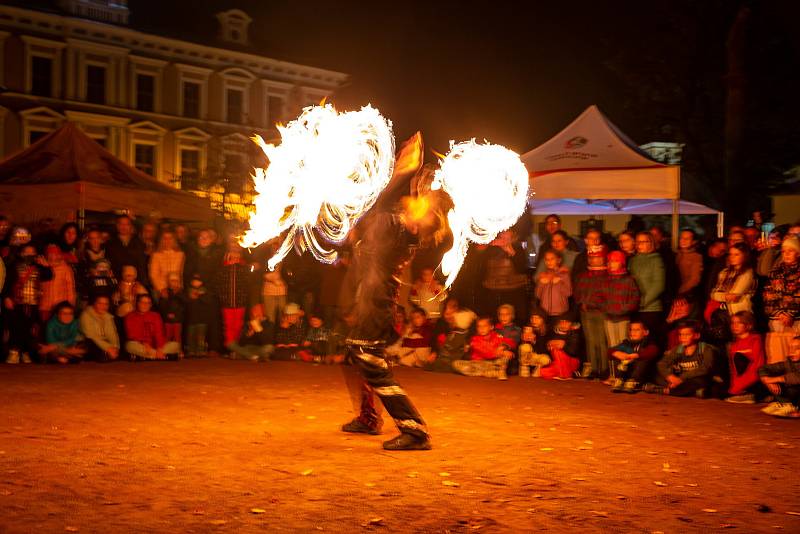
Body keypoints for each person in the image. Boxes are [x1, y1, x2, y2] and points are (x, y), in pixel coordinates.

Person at [337, 178, 444, 450]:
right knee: (364, 358)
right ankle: (369, 416)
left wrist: (401, 171)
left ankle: (414, 430)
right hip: (373, 305)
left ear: (416, 223)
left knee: (369, 360)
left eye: (419, 205)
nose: (412, 202)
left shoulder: (396, 231)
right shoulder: (399, 233)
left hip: (376, 307)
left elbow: (378, 201)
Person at [3, 244, 52, 364]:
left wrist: (46, 266)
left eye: (32, 252)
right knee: (16, 328)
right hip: (17, 302)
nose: (29, 254)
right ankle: (14, 352)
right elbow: (7, 282)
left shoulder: (39, 267)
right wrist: (7, 297)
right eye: (27, 252)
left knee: (29, 329)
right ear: (21, 253)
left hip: (33, 303)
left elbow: (48, 277)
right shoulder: (14, 266)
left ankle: (25, 352)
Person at [645, 321, 715, 397]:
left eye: (687, 334)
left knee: (702, 381)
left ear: (696, 335)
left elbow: (705, 368)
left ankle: (665, 390)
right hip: (679, 379)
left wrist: (681, 378)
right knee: (657, 376)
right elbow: (662, 364)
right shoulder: (678, 349)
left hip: (694, 378)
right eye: (681, 335)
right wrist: (670, 377)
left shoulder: (705, 349)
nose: (683, 337)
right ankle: (693, 392)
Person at [763, 236, 800, 362]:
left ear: (798, 253)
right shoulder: (775, 271)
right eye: (784, 251)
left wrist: (790, 314)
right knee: (778, 356)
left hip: (796, 321)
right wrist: (779, 313)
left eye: (790, 250)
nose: (786, 254)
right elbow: (768, 295)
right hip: (777, 320)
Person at [575, 245, 609, 379]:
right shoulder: (584, 275)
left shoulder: (607, 275)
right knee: (590, 341)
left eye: (597, 257)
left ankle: (604, 368)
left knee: (602, 341)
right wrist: (581, 302)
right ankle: (594, 368)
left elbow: (607, 294)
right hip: (586, 312)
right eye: (591, 257)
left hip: (601, 312)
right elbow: (578, 291)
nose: (593, 260)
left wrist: (595, 304)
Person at [629, 231, 666, 344]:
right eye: (638, 242)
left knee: (650, 342)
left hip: (651, 309)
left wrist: (642, 302)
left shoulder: (656, 260)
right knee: (636, 341)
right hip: (634, 307)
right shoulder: (632, 260)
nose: (640, 244)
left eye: (643, 242)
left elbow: (659, 285)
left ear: (651, 243)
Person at [215, 240, 252, 350]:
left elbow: (248, 281)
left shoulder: (244, 267)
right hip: (227, 301)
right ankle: (230, 346)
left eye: (237, 255)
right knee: (228, 325)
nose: (235, 257)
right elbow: (218, 281)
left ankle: (236, 346)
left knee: (238, 325)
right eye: (232, 255)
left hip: (240, 301)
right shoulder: (223, 267)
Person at [722, 311, 766, 403]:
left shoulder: (755, 339)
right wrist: (734, 386)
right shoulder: (734, 345)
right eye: (733, 323)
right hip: (741, 380)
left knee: (739, 357)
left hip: (754, 378)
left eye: (739, 323)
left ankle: (752, 395)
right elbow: (734, 371)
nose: (735, 326)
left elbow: (757, 364)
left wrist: (740, 386)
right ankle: (748, 395)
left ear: (748, 325)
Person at [602, 250, 641, 351]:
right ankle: (613, 367)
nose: (611, 264)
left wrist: (625, 308)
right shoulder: (605, 279)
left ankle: (624, 366)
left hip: (623, 317)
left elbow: (635, 297)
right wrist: (605, 307)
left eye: (615, 261)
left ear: (622, 262)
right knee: (612, 345)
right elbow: (599, 296)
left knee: (624, 344)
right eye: (609, 261)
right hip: (609, 317)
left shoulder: (628, 280)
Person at [124, 294, 180, 361]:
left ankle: (149, 357)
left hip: (156, 346)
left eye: (148, 303)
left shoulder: (155, 316)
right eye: (142, 302)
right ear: (138, 303)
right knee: (129, 345)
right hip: (141, 345)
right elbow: (132, 335)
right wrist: (145, 344)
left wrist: (159, 348)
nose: (145, 305)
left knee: (176, 345)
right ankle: (161, 356)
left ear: (150, 305)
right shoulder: (130, 316)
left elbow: (159, 333)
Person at [609, 321, 659, 393]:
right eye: (631, 330)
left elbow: (653, 351)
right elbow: (610, 350)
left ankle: (635, 382)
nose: (633, 332)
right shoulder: (627, 343)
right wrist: (616, 353)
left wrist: (636, 355)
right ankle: (620, 380)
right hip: (628, 371)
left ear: (646, 332)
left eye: (637, 330)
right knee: (618, 356)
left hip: (642, 375)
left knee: (643, 359)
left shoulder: (649, 343)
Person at [759, 336, 800, 418]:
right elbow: (764, 369)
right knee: (772, 378)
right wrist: (767, 381)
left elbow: (797, 377)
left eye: (797, 348)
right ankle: (787, 405)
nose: (792, 351)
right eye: (790, 348)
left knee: (787, 382)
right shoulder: (788, 363)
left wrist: (775, 379)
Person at [425, 308, 475, 373]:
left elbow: (453, 347)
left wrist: (445, 345)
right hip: (445, 357)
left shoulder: (462, 335)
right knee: (435, 363)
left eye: (454, 320)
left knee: (448, 364)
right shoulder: (455, 332)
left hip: (452, 359)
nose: (452, 321)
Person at [39, 244, 76, 323]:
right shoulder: (41, 267)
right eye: (50, 254)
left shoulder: (65, 268)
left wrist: (70, 304)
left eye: (55, 254)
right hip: (44, 305)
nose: (53, 257)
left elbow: (70, 287)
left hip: (60, 306)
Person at [534, 249, 572, 324]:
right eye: (547, 259)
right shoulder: (543, 275)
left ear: (558, 260)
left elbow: (569, 293)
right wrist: (541, 283)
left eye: (552, 259)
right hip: (544, 313)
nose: (549, 261)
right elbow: (538, 295)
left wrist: (558, 283)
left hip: (560, 313)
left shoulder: (564, 275)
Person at [105, 215, 147, 282]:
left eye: (127, 224)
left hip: (136, 281)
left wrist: (142, 282)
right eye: (121, 224)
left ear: (131, 226)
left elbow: (141, 263)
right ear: (117, 225)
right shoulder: (110, 243)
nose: (124, 227)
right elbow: (109, 263)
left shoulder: (138, 242)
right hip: (117, 281)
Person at [539, 313, 581, 380]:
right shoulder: (553, 334)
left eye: (566, 322)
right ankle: (564, 372)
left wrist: (564, 345)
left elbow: (574, 352)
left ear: (571, 324)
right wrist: (549, 346)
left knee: (557, 351)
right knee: (543, 372)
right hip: (558, 363)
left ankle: (565, 374)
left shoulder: (574, 334)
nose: (563, 324)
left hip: (571, 361)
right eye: (561, 322)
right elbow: (545, 350)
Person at [79, 295, 120, 362]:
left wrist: (115, 347)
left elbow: (112, 334)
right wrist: (108, 348)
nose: (103, 306)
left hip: (103, 342)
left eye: (106, 304)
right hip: (90, 341)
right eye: (100, 303)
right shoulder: (86, 315)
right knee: (91, 343)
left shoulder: (108, 316)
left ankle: (106, 354)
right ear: (94, 303)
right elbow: (91, 336)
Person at [149, 231, 185, 299]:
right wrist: (162, 289)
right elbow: (154, 274)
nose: (168, 240)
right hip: (162, 289)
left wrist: (178, 287)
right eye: (165, 238)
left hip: (178, 288)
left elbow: (182, 272)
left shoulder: (181, 254)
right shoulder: (156, 255)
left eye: (170, 238)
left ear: (174, 240)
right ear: (161, 240)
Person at [185, 276, 214, 357]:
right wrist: (191, 296)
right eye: (194, 281)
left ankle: (200, 351)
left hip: (202, 319)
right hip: (191, 319)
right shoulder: (188, 291)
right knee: (191, 336)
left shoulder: (205, 291)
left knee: (201, 337)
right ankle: (191, 351)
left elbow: (208, 301)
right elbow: (185, 302)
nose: (196, 282)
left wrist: (201, 295)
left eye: (198, 281)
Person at [159, 272, 186, 352]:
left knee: (177, 336)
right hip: (167, 320)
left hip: (177, 320)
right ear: (169, 282)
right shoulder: (165, 292)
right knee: (167, 336)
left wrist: (176, 315)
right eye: (172, 280)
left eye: (176, 280)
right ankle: (166, 351)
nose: (174, 283)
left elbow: (184, 306)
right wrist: (167, 314)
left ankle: (178, 350)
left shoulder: (182, 292)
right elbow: (161, 307)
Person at [494, 303, 522, 374]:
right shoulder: (495, 329)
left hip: (511, 358)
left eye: (507, 314)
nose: (503, 317)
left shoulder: (517, 330)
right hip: (496, 355)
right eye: (501, 314)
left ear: (512, 316)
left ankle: (501, 370)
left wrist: (503, 349)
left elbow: (512, 343)